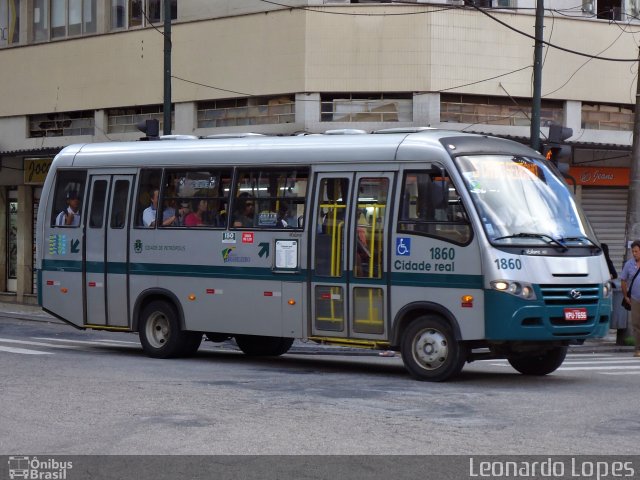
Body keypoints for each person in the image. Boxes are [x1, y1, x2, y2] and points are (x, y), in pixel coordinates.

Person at [620, 239, 640, 358]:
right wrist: (626, 296)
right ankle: (638, 349)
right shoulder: (629, 264)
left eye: (636, 251)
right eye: (633, 251)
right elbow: (623, 280)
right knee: (637, 325)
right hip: (635, 299)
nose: (634, 254)